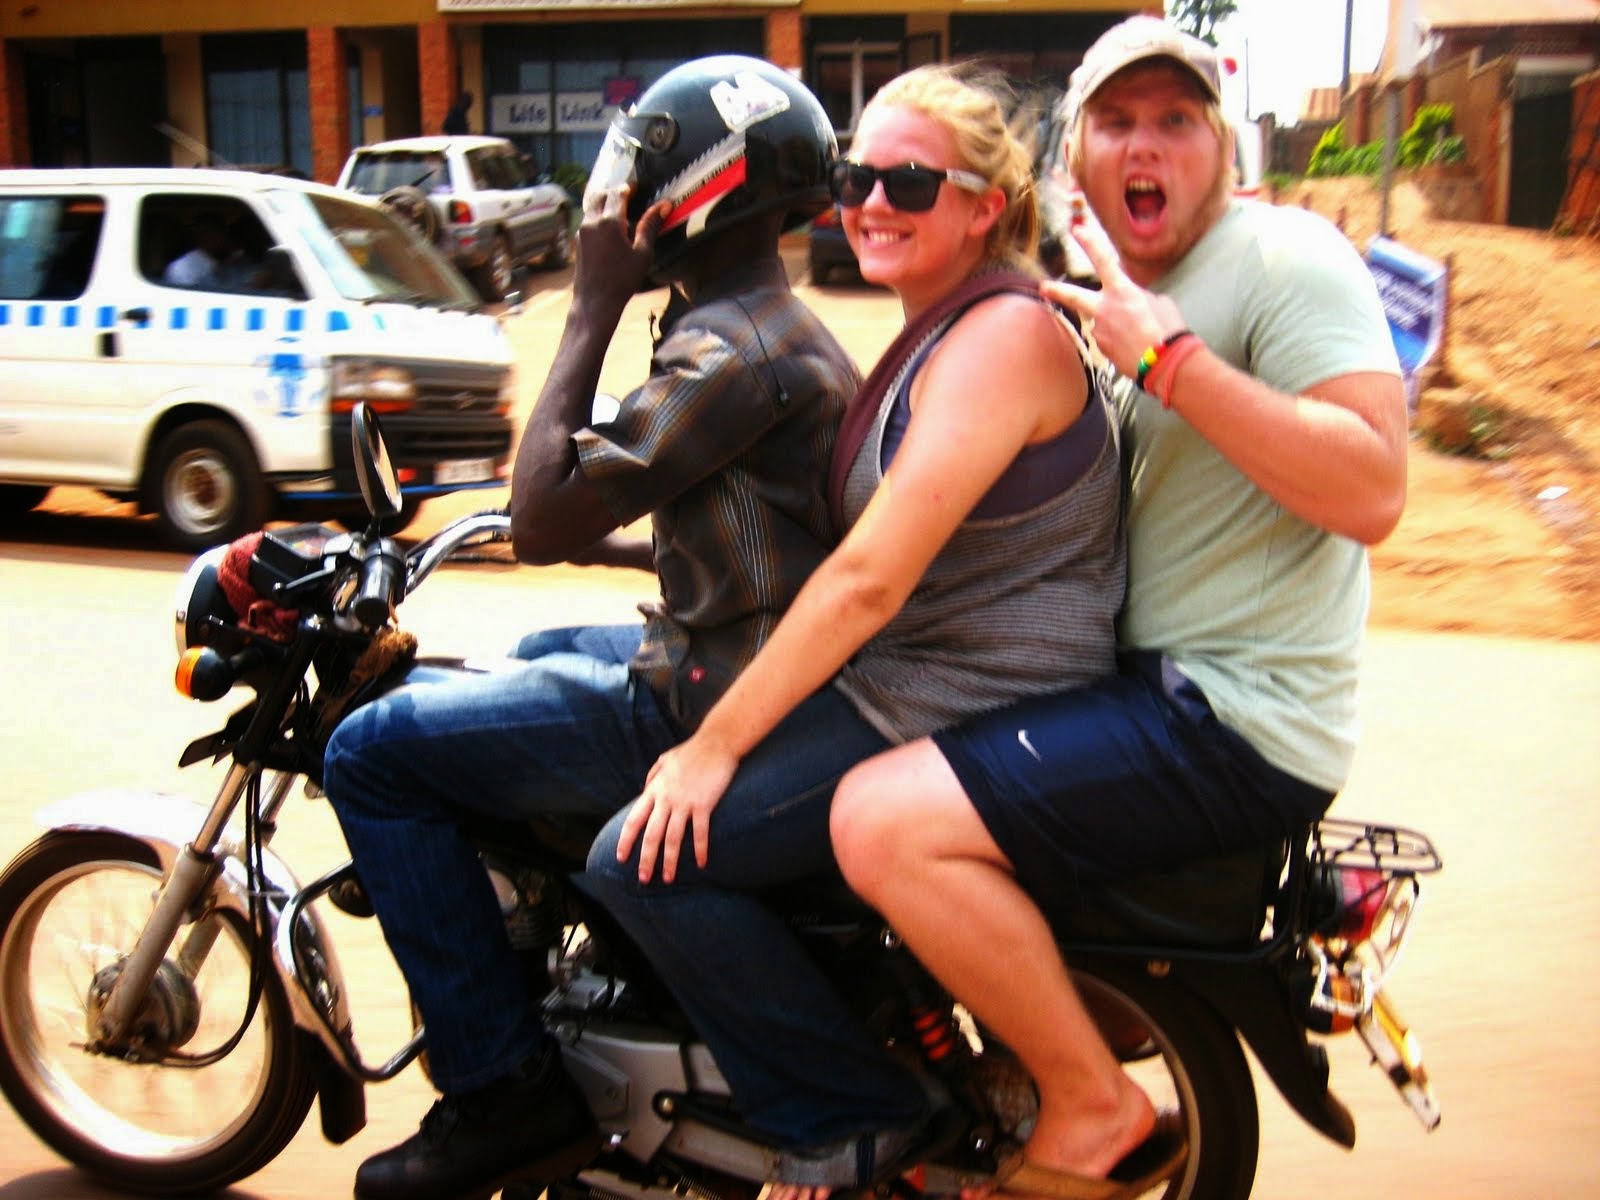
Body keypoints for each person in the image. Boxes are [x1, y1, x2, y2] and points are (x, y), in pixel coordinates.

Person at [826, 14, 1409, 1198]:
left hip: (1230, 718)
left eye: (1177, 122)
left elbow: (1373, 488)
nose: (1147, 147)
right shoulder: (1117, 289)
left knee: (878, 821)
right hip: (1149, 690)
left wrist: (1173, 363)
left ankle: (1089, 1105)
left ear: (1223, 151)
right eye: (1118, 121)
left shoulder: (1283, 260)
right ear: (1077, 156)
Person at [321, 56, 858, 1200]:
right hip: (735, 652)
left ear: (702, 191)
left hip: (717, 696)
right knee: (521, 655)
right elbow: (726, 523)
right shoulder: (764, 325)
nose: (618, 208)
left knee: (369, 756)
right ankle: (543, 952)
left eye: (639, 183)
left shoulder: (730, 349)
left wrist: (588, 302)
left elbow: (543, 514)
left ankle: (502, 1084)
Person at [584, 62, 1125, 1196]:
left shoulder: (1000, 340)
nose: (872, 201)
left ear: (986, 204)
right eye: (854, 175)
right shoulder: (939, 327)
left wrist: (713, 747)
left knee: (638, 862)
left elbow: (871, 580)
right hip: (919, 677)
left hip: (957, 696)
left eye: (910, 182)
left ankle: (850, 1113)